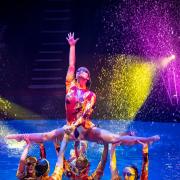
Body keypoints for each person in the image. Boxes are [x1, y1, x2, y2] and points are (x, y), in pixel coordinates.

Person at [6, 32, 160, 146]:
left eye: (84, 71)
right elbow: (72, 65)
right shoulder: (70, 86)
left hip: (86, 129)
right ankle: (20, 136)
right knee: (46, 136)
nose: (80, 71)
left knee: (114, 139)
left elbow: (85, 114)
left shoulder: (91, 95)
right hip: (70, 128)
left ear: (88, 78)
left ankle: (146, 140)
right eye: (79, 70)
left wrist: (73, 126)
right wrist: (72, 46)